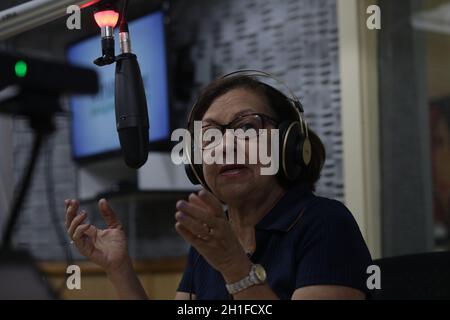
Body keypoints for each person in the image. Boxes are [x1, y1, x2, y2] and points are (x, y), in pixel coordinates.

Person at [65, 72, 372, 300]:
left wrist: (233, 265)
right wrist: (119, 269)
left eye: (247, 127)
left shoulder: (326, 223)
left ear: (288, 144)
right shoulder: (211, 238)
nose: (225, 146)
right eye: (209, 136)